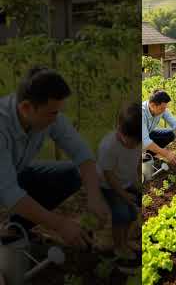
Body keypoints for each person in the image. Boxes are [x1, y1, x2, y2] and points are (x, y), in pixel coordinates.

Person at [0, 67, 109, 248]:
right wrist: (60, 224)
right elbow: (9, 193)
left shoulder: (47, 114)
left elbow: (81, 153)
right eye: (52, 113)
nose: (56, 118)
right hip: (4, 183)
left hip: (14, 173)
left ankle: (17, 228)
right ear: (26, 108)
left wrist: (94, 197)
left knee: (72, 173)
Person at [96, 103, 141, 260]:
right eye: (131, 141)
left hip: (126, 183)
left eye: (137, 142)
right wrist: (123, 195)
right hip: (109, 186)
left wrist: (138, 181)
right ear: (120, 129)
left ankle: (125, 241)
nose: (133, 145)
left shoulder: (136, 140)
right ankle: (118, 246)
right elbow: (108, 175)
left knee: (132, 213)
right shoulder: (109, 146)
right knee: (121, 213)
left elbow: (137, 162)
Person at [142, 90, 176, 166]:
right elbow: (146, 142)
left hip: (146, 135)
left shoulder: (161, 108)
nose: (164, 111)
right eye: (162, 109)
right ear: (152, 105)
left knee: (171, 133)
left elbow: (175, 124)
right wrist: (166, 153)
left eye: (165, 108)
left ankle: (148, 155)